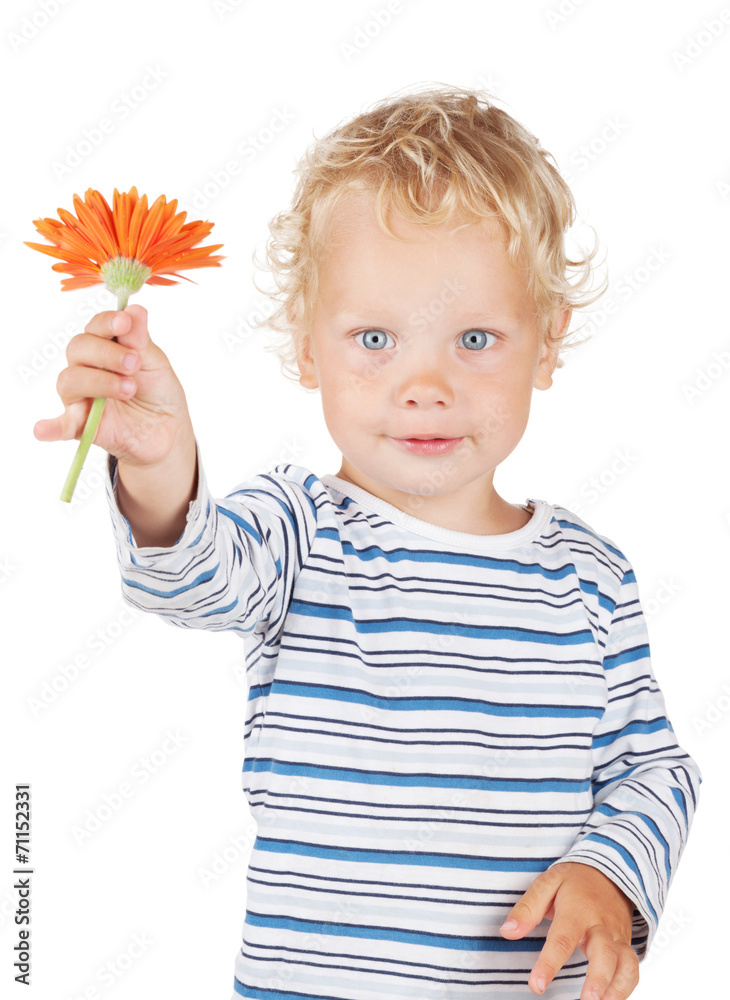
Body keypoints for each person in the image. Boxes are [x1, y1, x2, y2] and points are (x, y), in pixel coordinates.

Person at [34, 85, 701, 1000]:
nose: (424, 384)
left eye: (475, 338)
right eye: (375, 338)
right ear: (308, 348)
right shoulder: (297, 532)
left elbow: (650, 767)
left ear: (547, 344)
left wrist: (610, 874)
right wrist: (160, 464)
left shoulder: (589, 576)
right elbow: (191, 576)